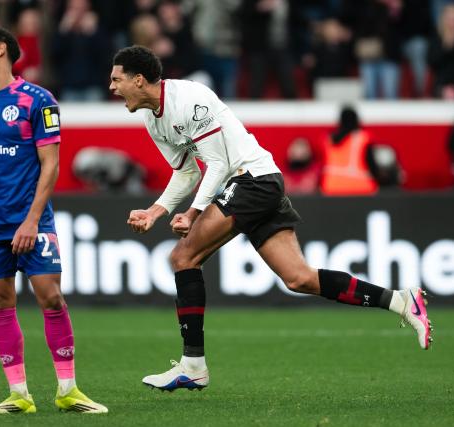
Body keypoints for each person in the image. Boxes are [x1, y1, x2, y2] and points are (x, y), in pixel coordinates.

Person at [108, 45, 433, 392]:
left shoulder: (190, 98)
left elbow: (217, 164)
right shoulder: (151, 118)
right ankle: (401, 301)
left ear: (139, 80)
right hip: (252, 184)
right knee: (299, 278)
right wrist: (156, 210)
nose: (112, 87)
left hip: (252, 180)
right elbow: (187, 172)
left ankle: (193, 366)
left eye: (117, 79)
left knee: (183, 257)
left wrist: (193, 212)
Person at [0, 28, 107, 414]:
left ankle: (68, 389)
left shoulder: (37, 101)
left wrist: (32, 221)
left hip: (33, 222)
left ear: (1, 50)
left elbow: (50, 165)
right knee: (0, 302)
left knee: (50, 297)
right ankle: (19, 395)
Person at [320, 106, 379, 196]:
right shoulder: (362, 138)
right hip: (360, 188)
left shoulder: (329, 140)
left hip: (331, 188)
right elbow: (372, 166)